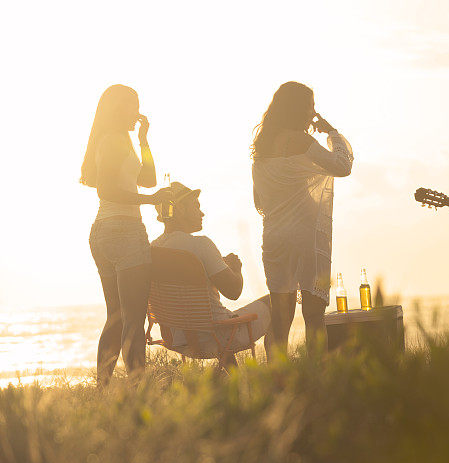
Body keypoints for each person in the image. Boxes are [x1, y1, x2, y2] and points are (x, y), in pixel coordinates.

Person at [251, 81, 354, 353]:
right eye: (310, 106)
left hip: (273, 238)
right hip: (306, 238)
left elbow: (259, 202)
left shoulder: (261, 150)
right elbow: (342, 166)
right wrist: (332, 132)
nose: (313, 113)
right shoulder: (301, 141)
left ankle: (277, 377)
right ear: (297, 109)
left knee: (280, 317)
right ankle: (316, 375)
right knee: (314, 314)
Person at [81, 84, 173, 386]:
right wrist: (152, 201)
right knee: (132, 321)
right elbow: (106, 190)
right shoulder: (111, 141)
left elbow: (148, 179)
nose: (138, 110)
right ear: (119, 108)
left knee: (118, 318)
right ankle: (136, 392)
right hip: (123, 231)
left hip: (106, 234)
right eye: (133, 104)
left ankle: (103, 390)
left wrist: (144, 140)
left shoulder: (121, 139)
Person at [151, 182, 272, 362]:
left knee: (216, 317)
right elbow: (233, 292)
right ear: (181, 209)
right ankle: (277, 372)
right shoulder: (201, 245)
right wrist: (235, 269)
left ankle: (233, 380)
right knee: (279, 300)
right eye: (196, 207)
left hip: (178, 340)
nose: (202, 213)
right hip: (215, 336)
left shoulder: (153, 249)